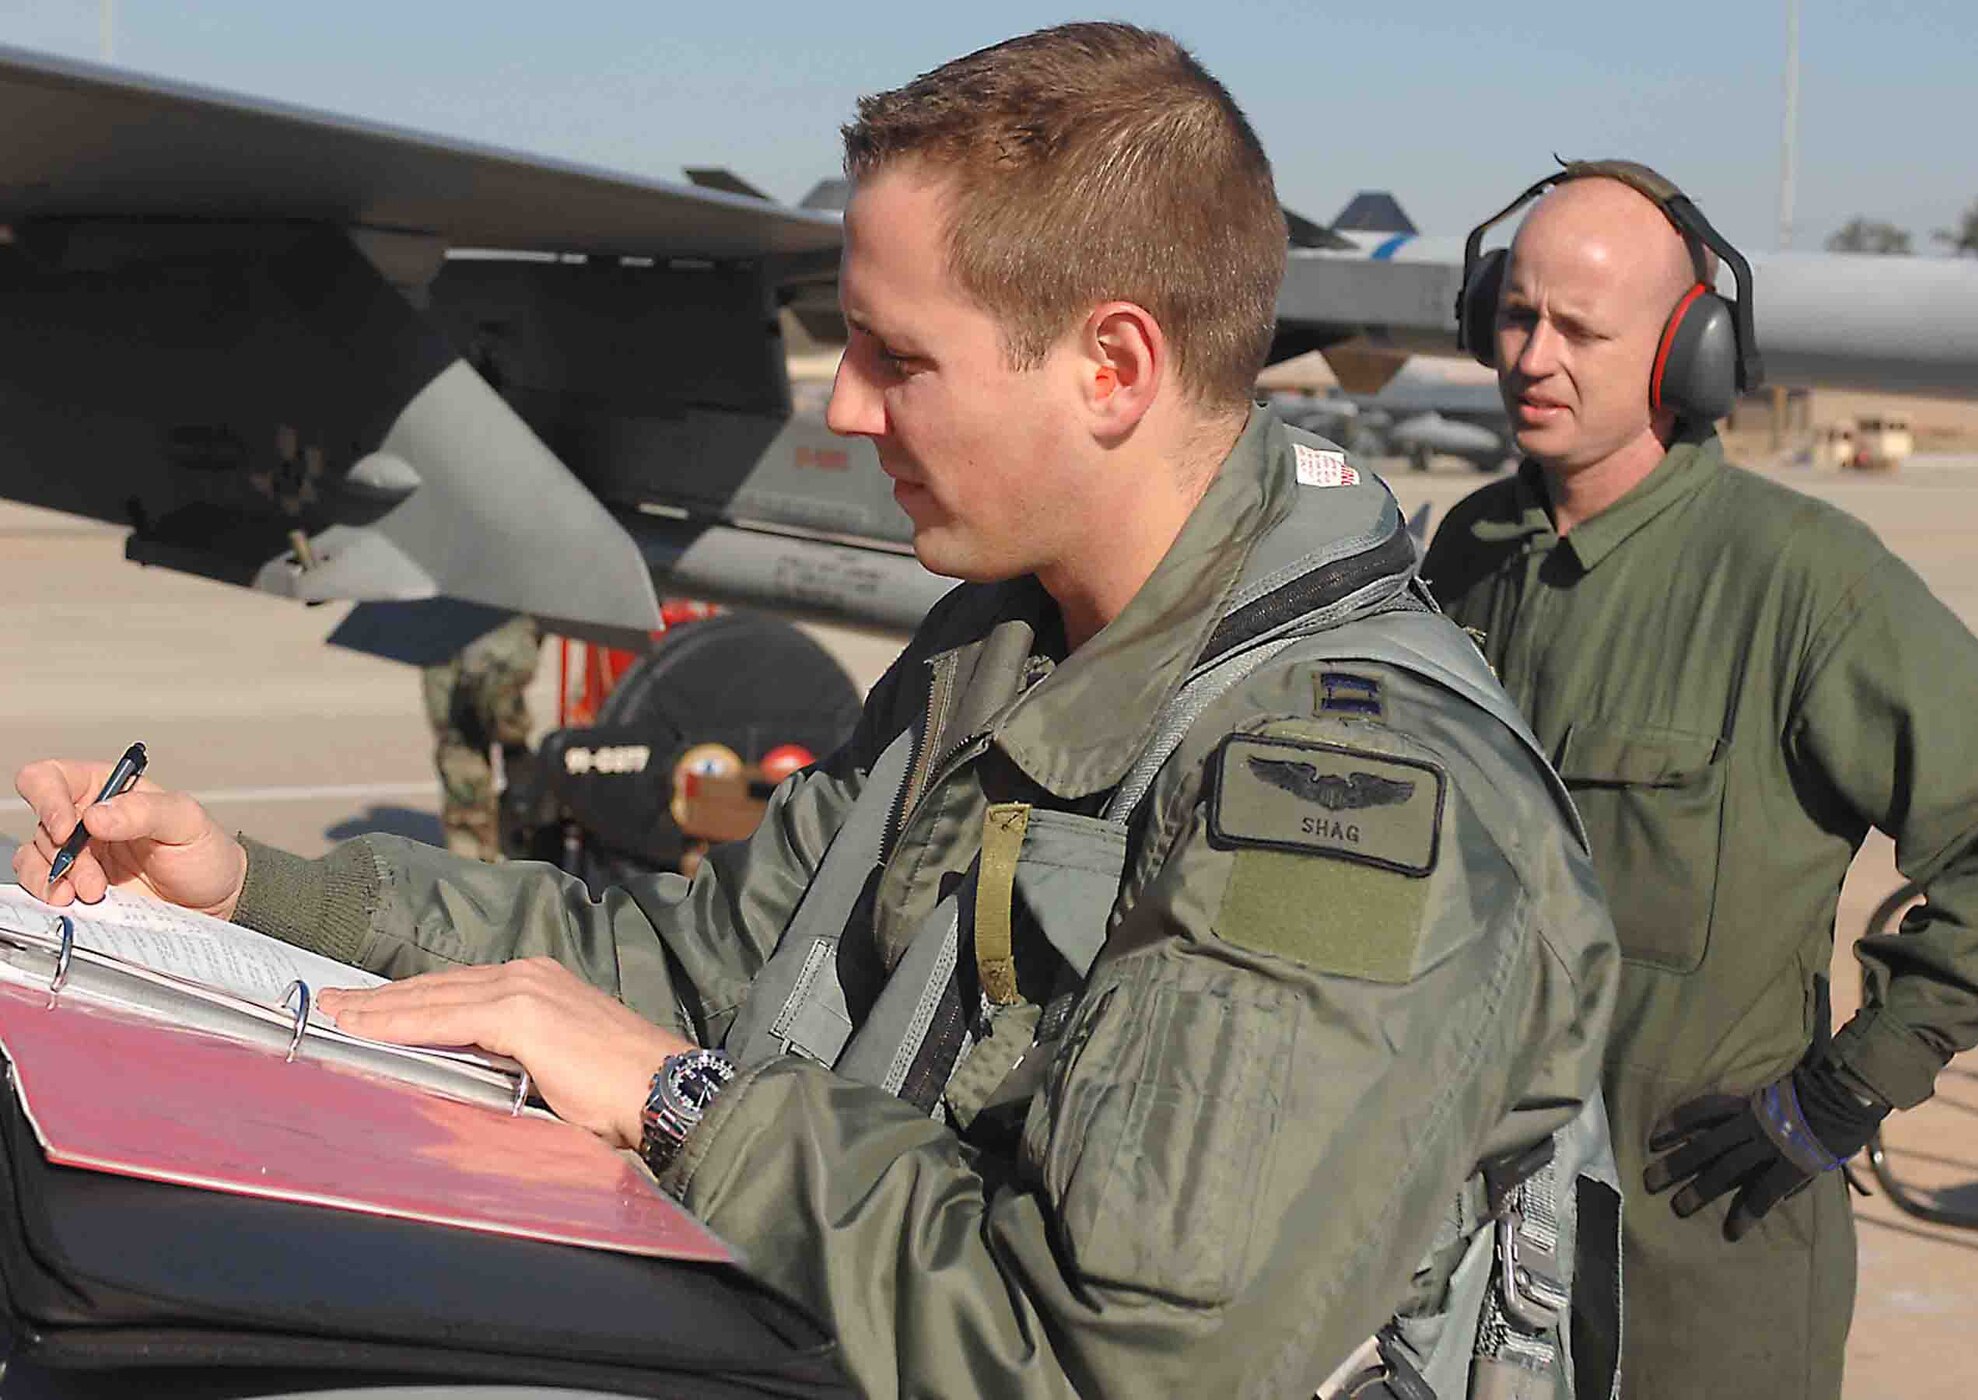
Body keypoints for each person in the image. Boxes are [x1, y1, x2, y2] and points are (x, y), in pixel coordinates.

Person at [13, 27, 1618, 1397]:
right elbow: (710, 973)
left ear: (1112, 366)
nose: (844, 406)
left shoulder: (1350, 797)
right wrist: (258, 898)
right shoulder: (1007, 645)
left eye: (894, 355)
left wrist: (681, 1111)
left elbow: (1105, 1361)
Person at [1422, 161, 1978, 1399]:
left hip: (1696, 1264)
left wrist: (1845, 1091)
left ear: (1686, 355)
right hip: (1465, 1241)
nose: (1531, 354)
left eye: (1579, 329)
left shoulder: (1801, 583)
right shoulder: (1464, 552)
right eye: (1514, 314)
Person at [421, 611, 542, 861]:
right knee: (459, 745)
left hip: (503, 624)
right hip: (445, 629)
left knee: (510, 737)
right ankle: (473, 862)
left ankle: (529, 834)